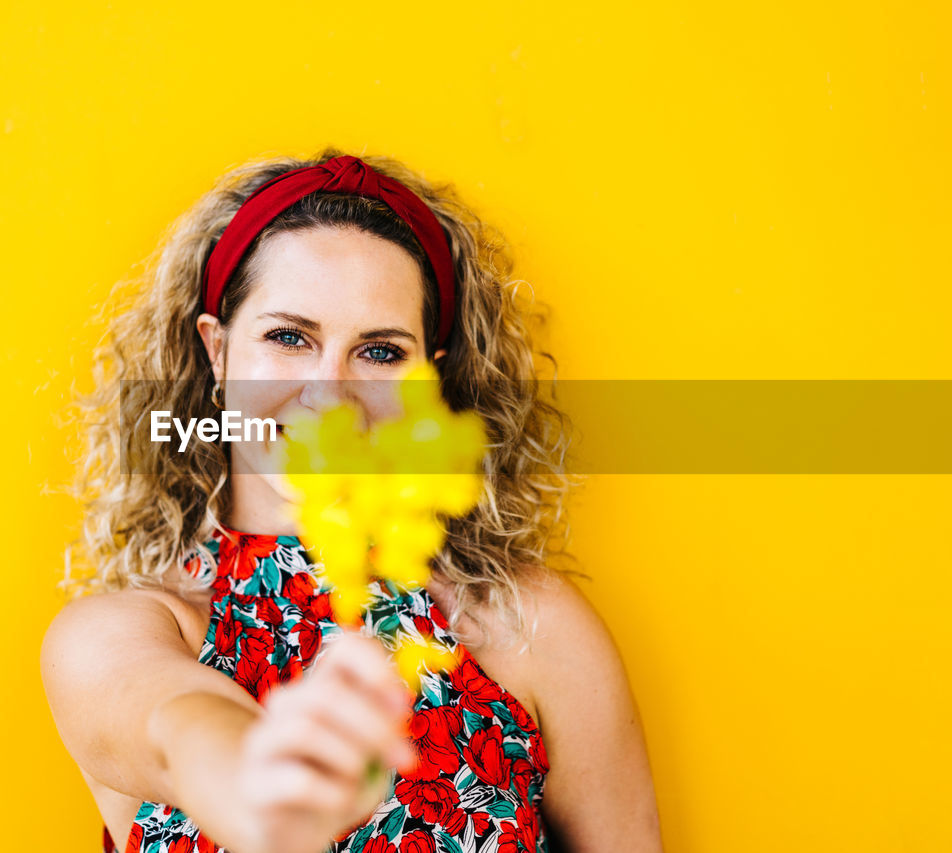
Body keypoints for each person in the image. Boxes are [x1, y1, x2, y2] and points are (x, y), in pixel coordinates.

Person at [41, 148, 663, 853]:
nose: (330, 393)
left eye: (379, 352)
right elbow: (177, 731)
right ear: (216, 351)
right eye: (287, 337)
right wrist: (263, 781)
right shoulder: (115, 638)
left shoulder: (532, 630)